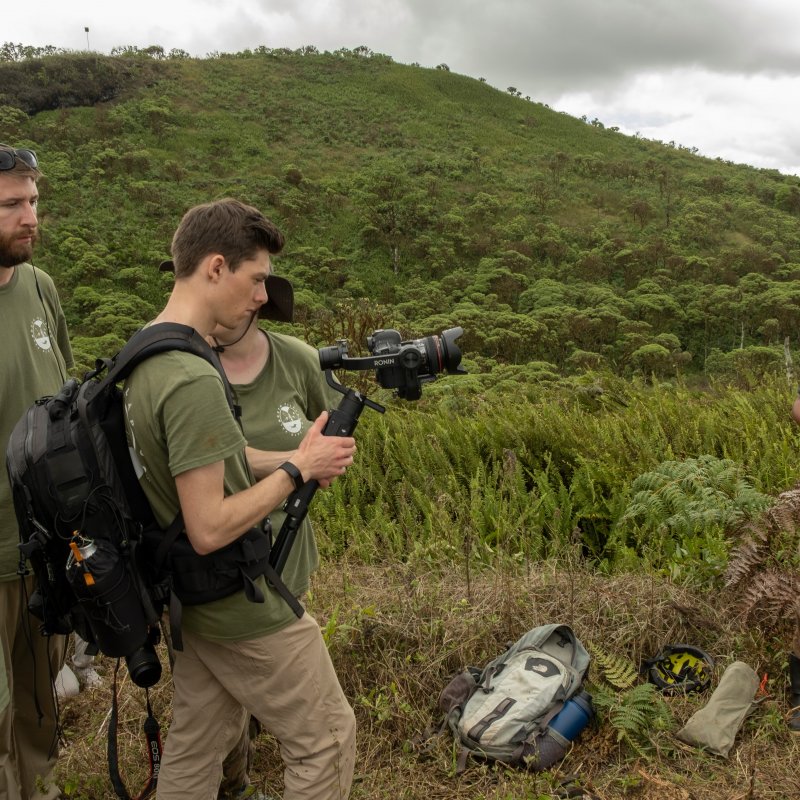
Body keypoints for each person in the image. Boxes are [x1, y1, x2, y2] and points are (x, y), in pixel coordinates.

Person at [123, 198, 357, 799]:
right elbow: (209, 524)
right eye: (256, 280)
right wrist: (297, 469)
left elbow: (206, 464)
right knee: (327, 738)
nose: (262, 297)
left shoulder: (148, 350)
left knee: (197, 749)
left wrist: (293, 460)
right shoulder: (193, 377)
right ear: (217, 268)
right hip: (237, 599)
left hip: (190, 595)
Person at [192, 246, 345, 800]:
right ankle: (232, 782)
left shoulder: (296, 360)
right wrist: (290, 465)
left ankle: (237, 778)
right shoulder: (188, 370)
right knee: (246, 718)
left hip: (287, 559)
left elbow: (327, 442)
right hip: (217, 569)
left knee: (222, 707)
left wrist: (319, 464)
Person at [0, 144, 74, 800]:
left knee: (38, 707)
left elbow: (63, 408)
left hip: (42, 547)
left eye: (33, 202)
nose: (31, 218)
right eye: (12, 205)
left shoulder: (39, 288)